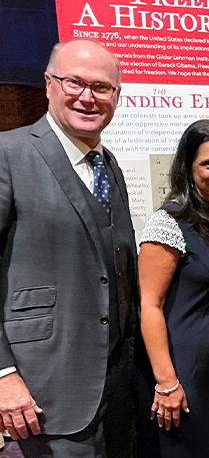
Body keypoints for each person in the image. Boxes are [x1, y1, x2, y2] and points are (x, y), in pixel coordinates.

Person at [0, 39, 137, 456]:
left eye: (101, 87)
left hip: (113, 393)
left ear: (116, 96)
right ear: (48, 84)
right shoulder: (9, 154)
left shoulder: (108, 166)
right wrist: (2, 375)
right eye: (75, 82)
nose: (87, 97)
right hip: (39, 394)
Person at [132, 120, 209, 457]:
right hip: (180, 373)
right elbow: (149, 305)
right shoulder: (168, 223)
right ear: (188, 168)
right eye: (208, 163)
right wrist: (167, 382)